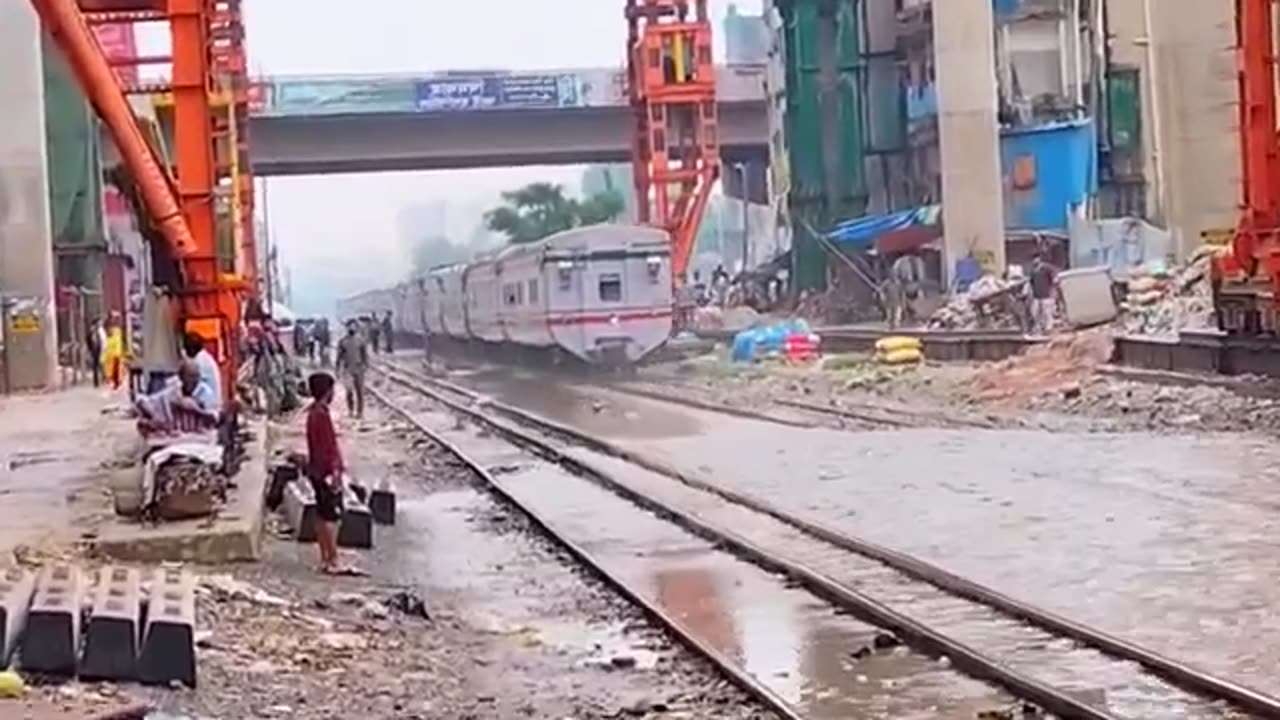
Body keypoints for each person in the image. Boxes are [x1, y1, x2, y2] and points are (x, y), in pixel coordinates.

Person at [305, 371, 361, 576]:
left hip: (316, 470)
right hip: (325, 471)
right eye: (332, 389)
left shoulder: (313, 413)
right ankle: (333, 558)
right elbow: (328, 446)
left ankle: (324, 558)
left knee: (321, 514)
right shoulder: (321, 415)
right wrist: (335, 471)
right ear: (326, 391)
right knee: (331, 516)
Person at [135, 360, 220, 437]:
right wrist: (154, 415)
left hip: (199, 444)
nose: (194, 380)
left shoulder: (206, 392)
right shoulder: (173, 393)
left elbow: (215, 420)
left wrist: (197, 410)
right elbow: (141, 400)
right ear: (181, 377)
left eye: (196, 376)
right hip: (174, 443)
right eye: (190, 376)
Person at [335, 320, 369, 418]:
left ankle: (360, 412)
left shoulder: (361, 340)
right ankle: (350, 410)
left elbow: (364, 355)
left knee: (360, 391)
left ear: (356, 328)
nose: (352, 328)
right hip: (347, 369)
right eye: (350, 326)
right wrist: (337, 369)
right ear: (347, 328)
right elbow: (339, 357)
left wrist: (365, 365)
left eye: (354, 326)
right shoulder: (343, 341)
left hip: (359, 368)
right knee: (349, 391)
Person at [182, 332, 223, 415]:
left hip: (207, 405)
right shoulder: (205, 358)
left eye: (186, 349)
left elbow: (192, 387)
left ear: (191, 349)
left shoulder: (199, 362)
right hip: (212, 402)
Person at [1028, 253, 1059, 335]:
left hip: (1047, 295)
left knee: (1047, 313)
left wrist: (1053, 287)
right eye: (1033, 259)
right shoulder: (1033, 271)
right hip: (1037, 296)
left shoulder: (1046, 268)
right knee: (1035, 313)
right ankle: (1039, 328)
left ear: (1039, 258)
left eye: (1036, 258)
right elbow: (1031, 283)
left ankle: (1048, 328)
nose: (1035, 260)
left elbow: (1055, 277)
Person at [103, 314, 126, 391]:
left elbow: (117, 342)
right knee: (113, 368)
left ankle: (116, 382)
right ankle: (115, 381)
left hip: (114, 353)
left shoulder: (116, 331)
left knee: (115, 368)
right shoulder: (114, 331)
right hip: (113, 353)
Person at [86, 317, 104, 388]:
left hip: (98, 349)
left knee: (99, 365)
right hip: (94, 350)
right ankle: (96, 381)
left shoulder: (98, 331)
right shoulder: (91, 332)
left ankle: (102, 378)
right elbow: (88, 340)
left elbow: (101, 340)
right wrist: (89, 349)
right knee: (95, 366)